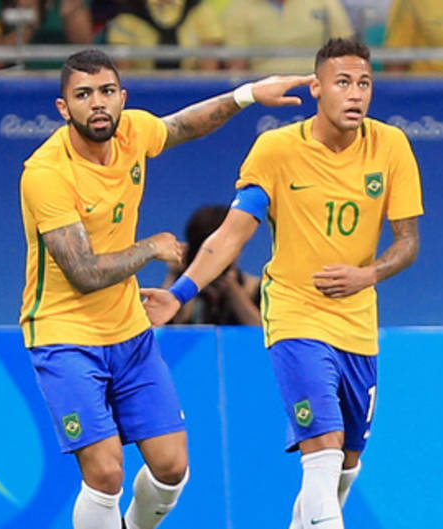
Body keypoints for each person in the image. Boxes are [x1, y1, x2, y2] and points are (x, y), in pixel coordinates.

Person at [18, 48, 311, 529]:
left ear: (122, 96)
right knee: (106, 471)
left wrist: (247, 94)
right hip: (64, 334)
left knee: (172, 469)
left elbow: (182, 126)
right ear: (63, 108)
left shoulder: (132, 132)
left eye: (107, 92)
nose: (98, 103)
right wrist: (150, 248)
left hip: (129, 333)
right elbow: (83, 273)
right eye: (84, 95)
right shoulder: (46, 174)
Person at [142, 38, 423, 529]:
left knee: (345, 465)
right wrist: (180, 292)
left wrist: (368, 274)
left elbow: (408, 241)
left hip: (358, 325)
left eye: (364, 83)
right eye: (342, 82)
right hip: (296, 316)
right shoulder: (276, 149)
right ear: (317, 88)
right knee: (323, 448)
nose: (355, 93)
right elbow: (230, 236)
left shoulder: (392, 145)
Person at [162, 204, 261, 325]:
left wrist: (233, 291)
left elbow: (266, 332)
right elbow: (154, 328)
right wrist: (173, 277)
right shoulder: (184, 289)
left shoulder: (254, 289)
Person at [222, 0, 354, 73]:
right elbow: (237, 64)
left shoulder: (325, 3)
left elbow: (345, 49)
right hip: (262, 84)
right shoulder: (240, 7)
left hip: (318, 81)